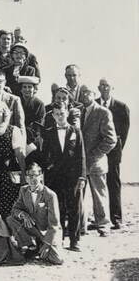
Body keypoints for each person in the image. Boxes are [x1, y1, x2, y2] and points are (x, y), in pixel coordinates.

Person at [40, 101, 86, 251]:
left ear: (67, 113)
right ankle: (57, 239)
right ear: (53, 115)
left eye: (62, 113)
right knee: (57, 208)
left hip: (72, 177)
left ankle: (74, 240)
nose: (60, 117)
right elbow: (44, 155)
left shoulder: (76, 131)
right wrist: (47, 169)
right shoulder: (48, 132)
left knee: (74, 208)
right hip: (55, 177)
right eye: (57, 114)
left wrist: (82, 177)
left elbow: (81, 156)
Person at [6, 163, 64, 265]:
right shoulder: (23, 190)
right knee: (10, 219)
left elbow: (54, 223)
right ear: (26, 178)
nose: (33, 179)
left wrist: (47, 244)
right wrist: (24, 215)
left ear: (41, 177)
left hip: (47, 231)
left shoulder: (50, 195)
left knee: (57, 260)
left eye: (36, 175)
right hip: (32, 228)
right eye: (30, 176)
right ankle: (31, 245)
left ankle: (43, 245)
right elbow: (15, 209)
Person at [78, 84, 117, 236]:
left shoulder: (103, 112)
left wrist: (94, 155)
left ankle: (104, 226)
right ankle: (81, 227)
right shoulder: (78, 111)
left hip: (96, 163)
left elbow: (110, 140)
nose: (84, 95)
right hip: (80, 164)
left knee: (100, 196)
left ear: (94, 94)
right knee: (79, 196)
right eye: (82, 93)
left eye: (88, 93)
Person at [96, 79, 130, 230]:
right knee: (97, 185)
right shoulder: (94, 104)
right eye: (102, 85)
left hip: (114, 152)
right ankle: (100, 218)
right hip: (96, 151)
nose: (104, 88)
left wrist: (117, 149)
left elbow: (124, 132)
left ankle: (116, 218)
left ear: (112, 88)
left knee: (113, 183)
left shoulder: (121, 107)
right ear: (98, 88)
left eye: (107, 85)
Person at [18, 76, 45, 161]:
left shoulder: (39, 104)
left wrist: (23, 133)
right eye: (24, 87)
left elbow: (38, 124)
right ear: (21, 89)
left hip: (32, 140)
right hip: (18, 137)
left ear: (34, 89)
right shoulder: (17, 101)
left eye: (30, 87)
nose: (27, 90)